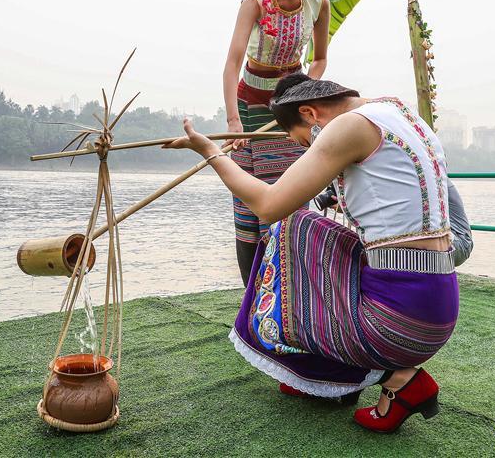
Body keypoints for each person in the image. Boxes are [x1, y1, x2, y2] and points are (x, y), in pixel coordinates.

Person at [165, 73, 473, 432]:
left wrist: (211, 152)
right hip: (438, 308)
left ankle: (393, 378)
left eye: (302, 141)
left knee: (290, 229)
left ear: (311, 114)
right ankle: (347, 380)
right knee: (316, 232)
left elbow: (267, 205)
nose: (307, 148)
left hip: (398, 324)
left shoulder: (347, 128)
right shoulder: (397, 111)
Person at [223, 0, 337, 286]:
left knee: (290, 202)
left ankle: (288, 298)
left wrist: (305, 92)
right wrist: (234, 122)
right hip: (250, 107)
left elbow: (319, 60)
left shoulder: (318, 2)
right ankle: (250, 301)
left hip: (289, 108)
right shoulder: (254, 0)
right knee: (248, 208)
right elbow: (232, 63)